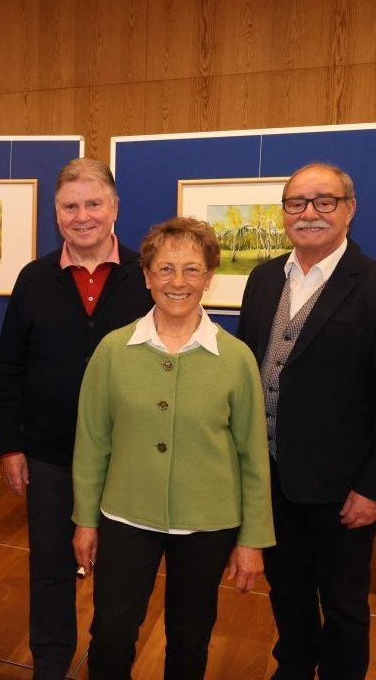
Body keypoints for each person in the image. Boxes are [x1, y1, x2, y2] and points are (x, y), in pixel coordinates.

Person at [73, 217, 274, 679]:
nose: (177, 281)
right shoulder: (113, 350)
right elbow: (92, 442)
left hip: (208, 523)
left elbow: (252, 455)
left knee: (190, 637)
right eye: (164, 268)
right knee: (111, 634)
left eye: (191, 269)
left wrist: (252, 540)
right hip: (126, 516)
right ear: (147, 277)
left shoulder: (237, 358)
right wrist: (85, 519)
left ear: (208, 277)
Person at [0, 158, 152, 678]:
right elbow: (10, 366)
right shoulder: (34, 278)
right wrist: (11, 445)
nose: (81, 216)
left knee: (120, 575)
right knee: (49, 567)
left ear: (115, 208)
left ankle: (109, 665)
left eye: (93, 204)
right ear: (56, 213)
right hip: (49, 455)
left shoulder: (146, 277)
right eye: (69, 206)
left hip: (128, 458)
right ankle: (51, 663)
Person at [237, 162, 376, 679]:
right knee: (288, 591)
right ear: (284, 213)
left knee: (344, 605)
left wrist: (371, 487)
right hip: (271, 478)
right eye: (296, 203)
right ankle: (293, 666)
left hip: (343, 490)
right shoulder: (264, 278)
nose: (309, 213)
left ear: (349, 209)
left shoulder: (371, 284)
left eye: (324, 201)